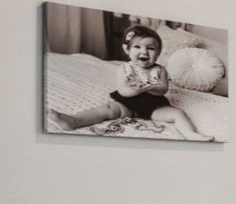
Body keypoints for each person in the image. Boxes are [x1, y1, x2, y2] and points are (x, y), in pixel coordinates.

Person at [50, 24, 212, 141]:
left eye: (151, 48)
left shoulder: (160, 70)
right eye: (137, 47)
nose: (144, 52)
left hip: (153, 106)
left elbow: (162, 89)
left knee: (177, 113)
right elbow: (124, 91)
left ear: (158, 53)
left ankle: (190, 134)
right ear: (127, 50)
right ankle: (74, 121)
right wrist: (139, 90)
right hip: (127, 103)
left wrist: (149, 87)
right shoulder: (124, 69)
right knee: (107, 109)